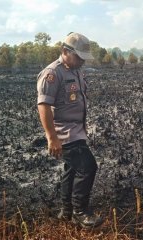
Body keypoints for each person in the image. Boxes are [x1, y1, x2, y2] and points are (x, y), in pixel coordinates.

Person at [37, 32, 103, 228]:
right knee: (88, 167)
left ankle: (66, 212)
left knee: (72, 170)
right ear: (65, 51)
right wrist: (52, 138)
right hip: (65, 134)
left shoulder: (75, 70)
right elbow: (44, 106)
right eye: (79, 57)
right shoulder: (52, 74)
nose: (82, 61)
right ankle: (80, 213)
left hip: (77, 130)